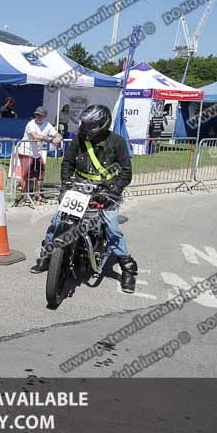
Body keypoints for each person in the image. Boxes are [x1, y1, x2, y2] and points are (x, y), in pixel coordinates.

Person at [30, 105, 138, 294]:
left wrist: (114, 189)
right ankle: (47, 256)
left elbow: (126, 172)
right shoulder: (79, 140)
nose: (86, 128)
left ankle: (128, 268)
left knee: (111, 227)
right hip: (79, 188)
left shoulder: (117, 142)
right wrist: (66, 185)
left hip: (106, 190)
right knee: (57, 222)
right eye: (85, 123)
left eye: (91, 124)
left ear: (102, 124)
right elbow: (68, 163)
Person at [16, 106, 62, 201]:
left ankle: (38, 195)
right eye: (37, 114)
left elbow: (57, 134)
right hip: (26, 151)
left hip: (37, 153)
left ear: (45, 116)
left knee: (40, 174)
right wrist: (51, 140)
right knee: (25, 174)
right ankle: (23, 195)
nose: (38, 116)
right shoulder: (31, 124)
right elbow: (36, 136)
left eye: (40, 115)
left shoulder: (47, 124)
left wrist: (58, 138)